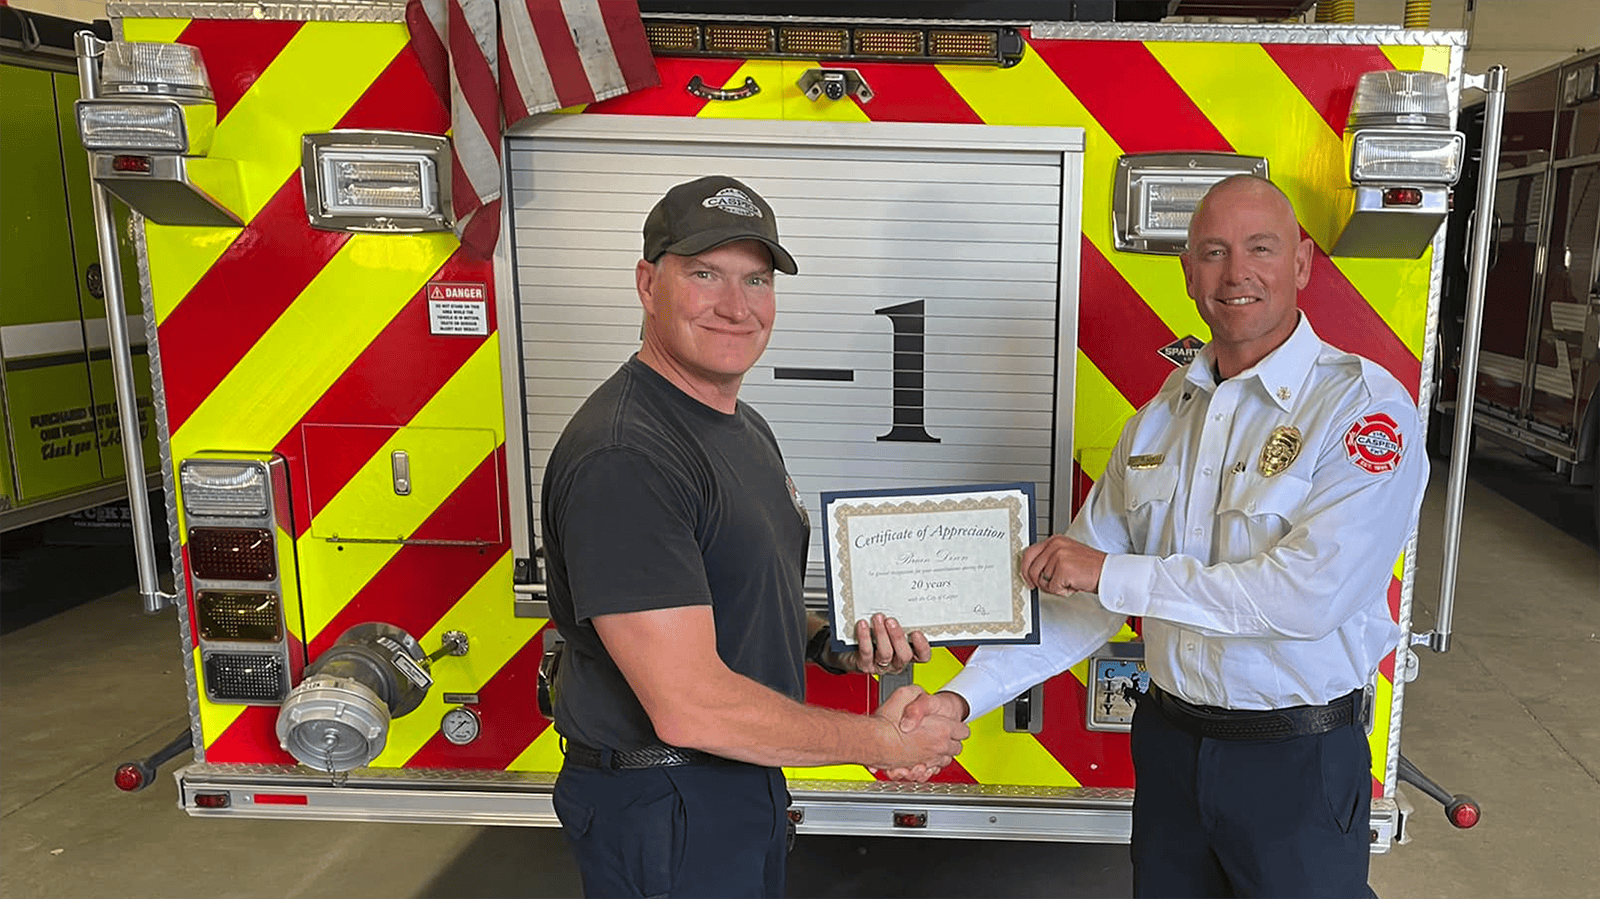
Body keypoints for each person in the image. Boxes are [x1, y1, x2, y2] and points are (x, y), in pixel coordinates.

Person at [899, 175, 1427, 899]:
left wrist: (1111, 574)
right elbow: (1080, 601)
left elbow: (1308, 596)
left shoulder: (1362, 410)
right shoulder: (1158, 421)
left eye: (1260, 249)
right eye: (1213, 252)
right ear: (1188, 274)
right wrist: (958, 699)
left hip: (1296, 761)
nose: (1236, 273)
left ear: (1301, 263)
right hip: (1171, 748)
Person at [541, 174, 969, 899]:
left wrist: (830, 643)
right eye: (705, 274)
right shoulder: (628, 457)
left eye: (757, 280)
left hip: (730, 785)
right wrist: (886, 740)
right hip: (666, 804)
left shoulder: (741, 427)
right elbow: (691, 705)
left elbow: (734, 591)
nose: (737, 307)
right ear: (648, 284)